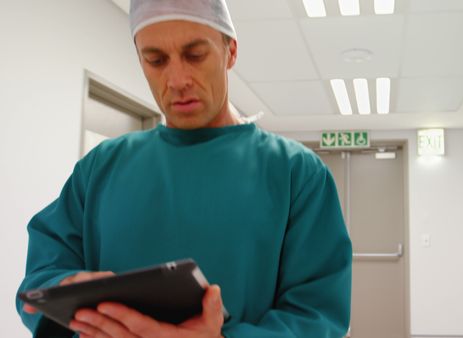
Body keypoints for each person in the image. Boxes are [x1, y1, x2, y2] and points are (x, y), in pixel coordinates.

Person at [15, 0, 352, 337]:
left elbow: (317, 316)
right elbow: (43, 276)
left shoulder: (297, 174)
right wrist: (69, 291)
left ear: (230, 51)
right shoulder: (100, 168)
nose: (177, 80)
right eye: (156, 60)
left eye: (195, 55)